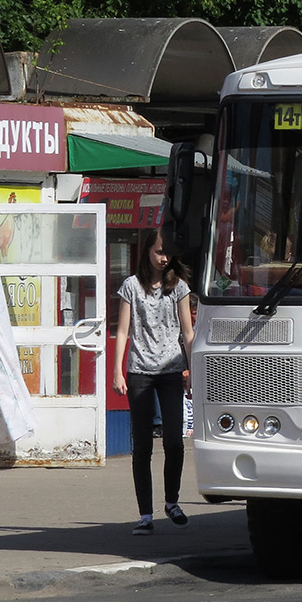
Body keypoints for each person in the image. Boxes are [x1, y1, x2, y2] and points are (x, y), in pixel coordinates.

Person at [113, 228, 195, 535]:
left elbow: (188, 333)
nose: (164, 258)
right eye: (159, 251)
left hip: (172, 370)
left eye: (168, 253)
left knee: (174, 441)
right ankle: (145, 515)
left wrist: (193, 370)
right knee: (143, 445)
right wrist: (118, 371)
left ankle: (171, 502)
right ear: (147, 251)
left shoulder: (179, 287)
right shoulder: (131, 286)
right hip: (140, 372)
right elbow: (123, 330)